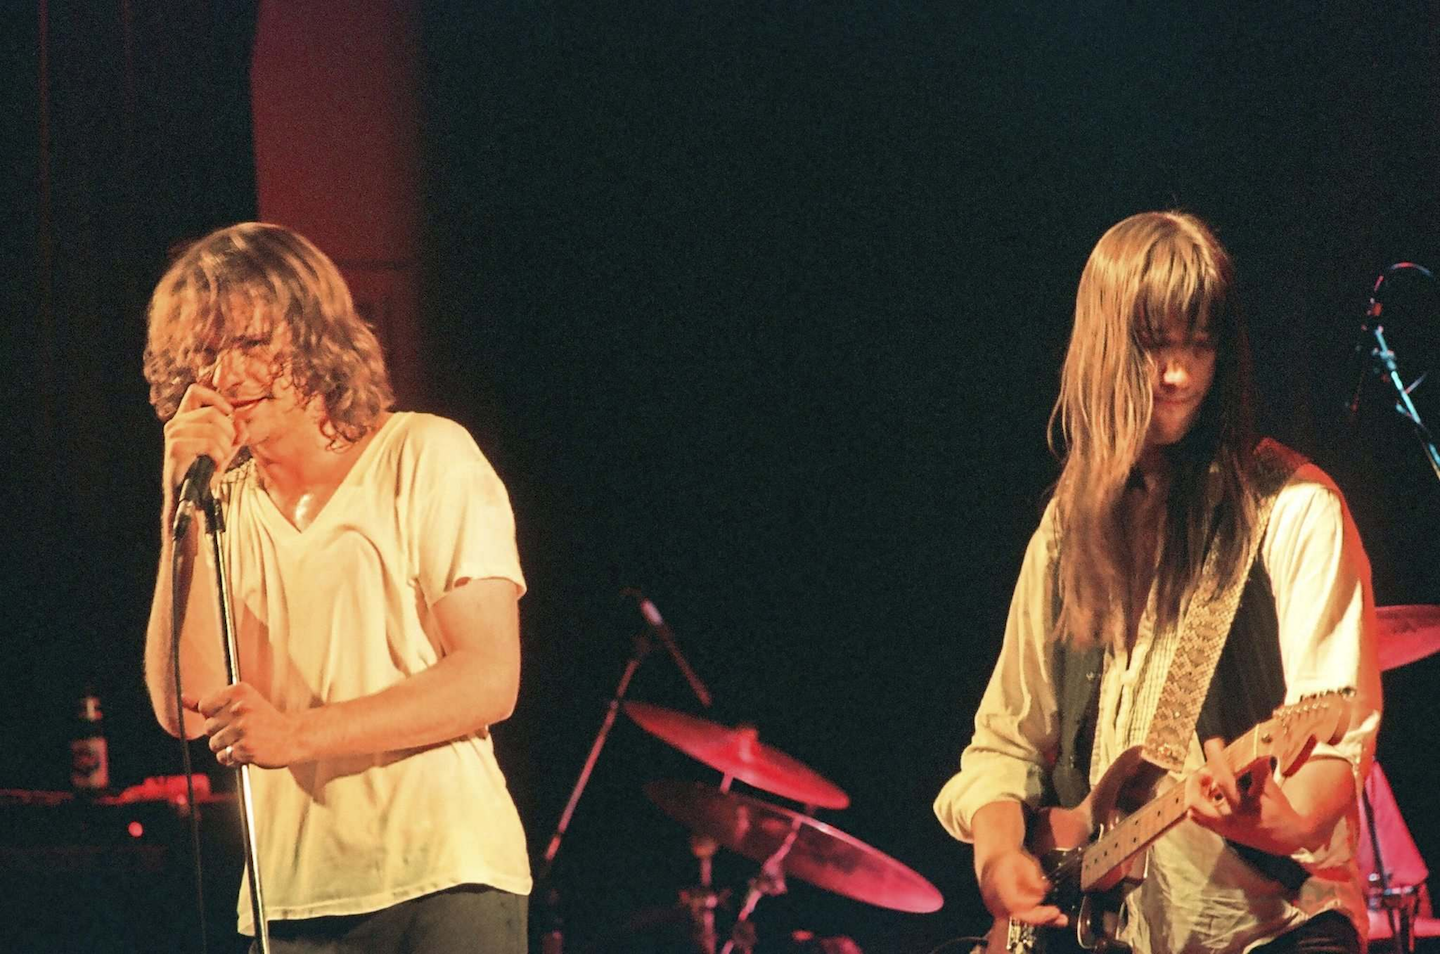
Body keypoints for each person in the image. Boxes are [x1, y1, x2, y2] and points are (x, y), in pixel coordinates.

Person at [933, 211, 1383, 954]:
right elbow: (1006, 739)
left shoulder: (1297, 510)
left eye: (1197, 347)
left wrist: (1270, 818)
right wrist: (1000, 856)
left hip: (1273, 928)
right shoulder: (1065, 531)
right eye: (1153, 349)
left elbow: (1338, 748)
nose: (1177, 376)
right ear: (1103, 351)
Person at [141, 222, 530, 952]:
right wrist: (177, 508)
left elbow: (488, 678)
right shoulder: (220, 507)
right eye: (206, 353)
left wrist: (297, 734)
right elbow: (185, 707)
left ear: (315, 339)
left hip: (444, 877)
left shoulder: (424, 455)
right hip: (289, 901)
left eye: (250, 344)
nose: (227, 376)